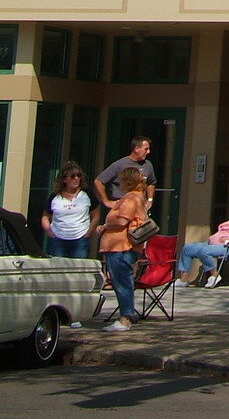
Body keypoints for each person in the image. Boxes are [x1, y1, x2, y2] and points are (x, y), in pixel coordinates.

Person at [99, 167, 149, 332]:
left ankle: (125, 318)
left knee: (122, 282)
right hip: (119, 247)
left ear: (128, 181)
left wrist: (104, 226)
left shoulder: (131, 198)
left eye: (121, 180)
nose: (119, 183)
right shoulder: (134, 197)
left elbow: (122, 222)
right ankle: (125, 315)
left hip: (122, 246)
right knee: (121, 281)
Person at [177, 197, 229, 286]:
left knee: (204, 251)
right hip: (216, 244)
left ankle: (215, 275)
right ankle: (184, 280)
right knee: (188, 248)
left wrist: (227, 238)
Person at [42, 162, 97, 260]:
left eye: (78, 175)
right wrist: (49, 232)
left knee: (78, 269)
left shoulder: (87, 194)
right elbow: (45, 217)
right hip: (57, 240)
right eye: (72, 176)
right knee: (58, 269)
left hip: (80, 239)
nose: (76, 178)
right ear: (64, 179)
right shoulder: (55, 196)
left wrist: (89, 233)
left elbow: (96, 216)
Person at [94, 135, 155, 211]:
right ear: (136, 149)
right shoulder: (119, 165)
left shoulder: (147, 165)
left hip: (139, 206)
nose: (148, 152)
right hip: (122, 206)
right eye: (146, 149)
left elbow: (151, 183)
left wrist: (149, 200)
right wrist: (106, 201)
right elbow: (98, 181)